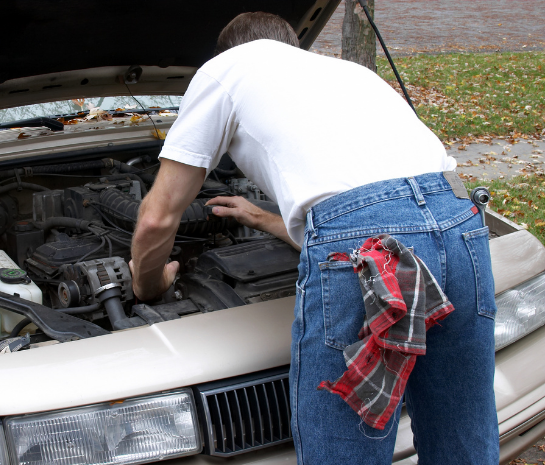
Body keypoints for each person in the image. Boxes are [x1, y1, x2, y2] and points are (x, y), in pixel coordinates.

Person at [128, 11, 499, 465]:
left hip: (364, 237)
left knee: (344, 450)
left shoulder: (226, 68)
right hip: (460, 220)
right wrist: (262, 218)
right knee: (462, 433)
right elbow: (393, 215)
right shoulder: (349, 73)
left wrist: (148, 283)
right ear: (293, 46)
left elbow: (156, 220)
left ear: (227, 52)